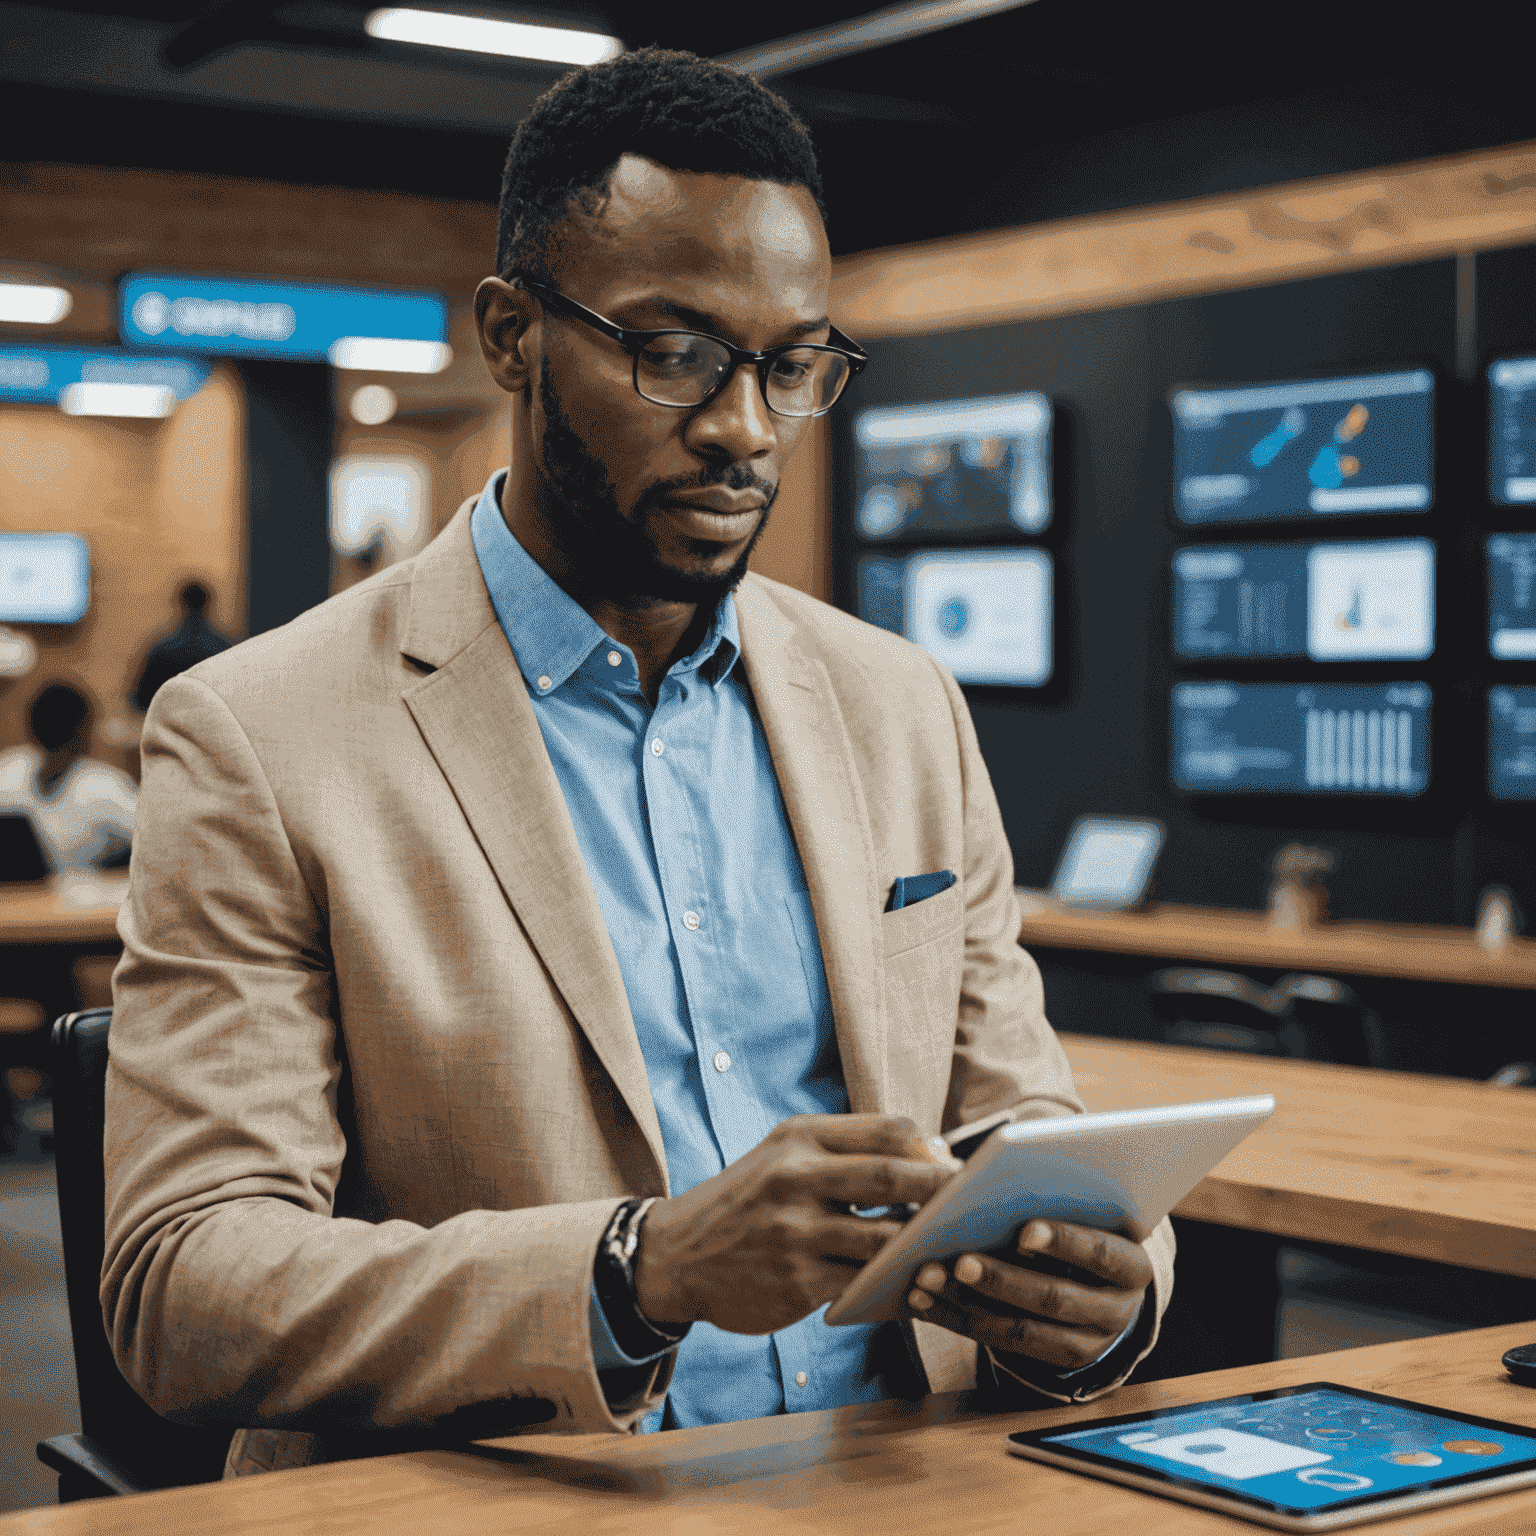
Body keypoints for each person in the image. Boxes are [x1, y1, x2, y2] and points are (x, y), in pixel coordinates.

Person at [102, 49, 1175, 1478]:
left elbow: (1018, 1116)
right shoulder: (262, 733)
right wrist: (637, 1268)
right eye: (672, 352)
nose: (742, 429)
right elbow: (187, 1285)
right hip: (507, 1502)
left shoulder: (899, 704)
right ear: (510, 334)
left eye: (792, 368)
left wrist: (1088, 1292)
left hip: (906, 1489)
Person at [0, 680, 136, 872]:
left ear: (29, 727)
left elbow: (153, 840)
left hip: (80, 898)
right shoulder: (102, 785)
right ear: (85, 731)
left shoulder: (8, 769)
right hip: (18, 896)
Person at [129, 581, 232, 714]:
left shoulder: (162, 651)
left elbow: (141, 701)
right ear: (209, 603)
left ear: (181, 603)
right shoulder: (225, 651)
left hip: (172, 730)